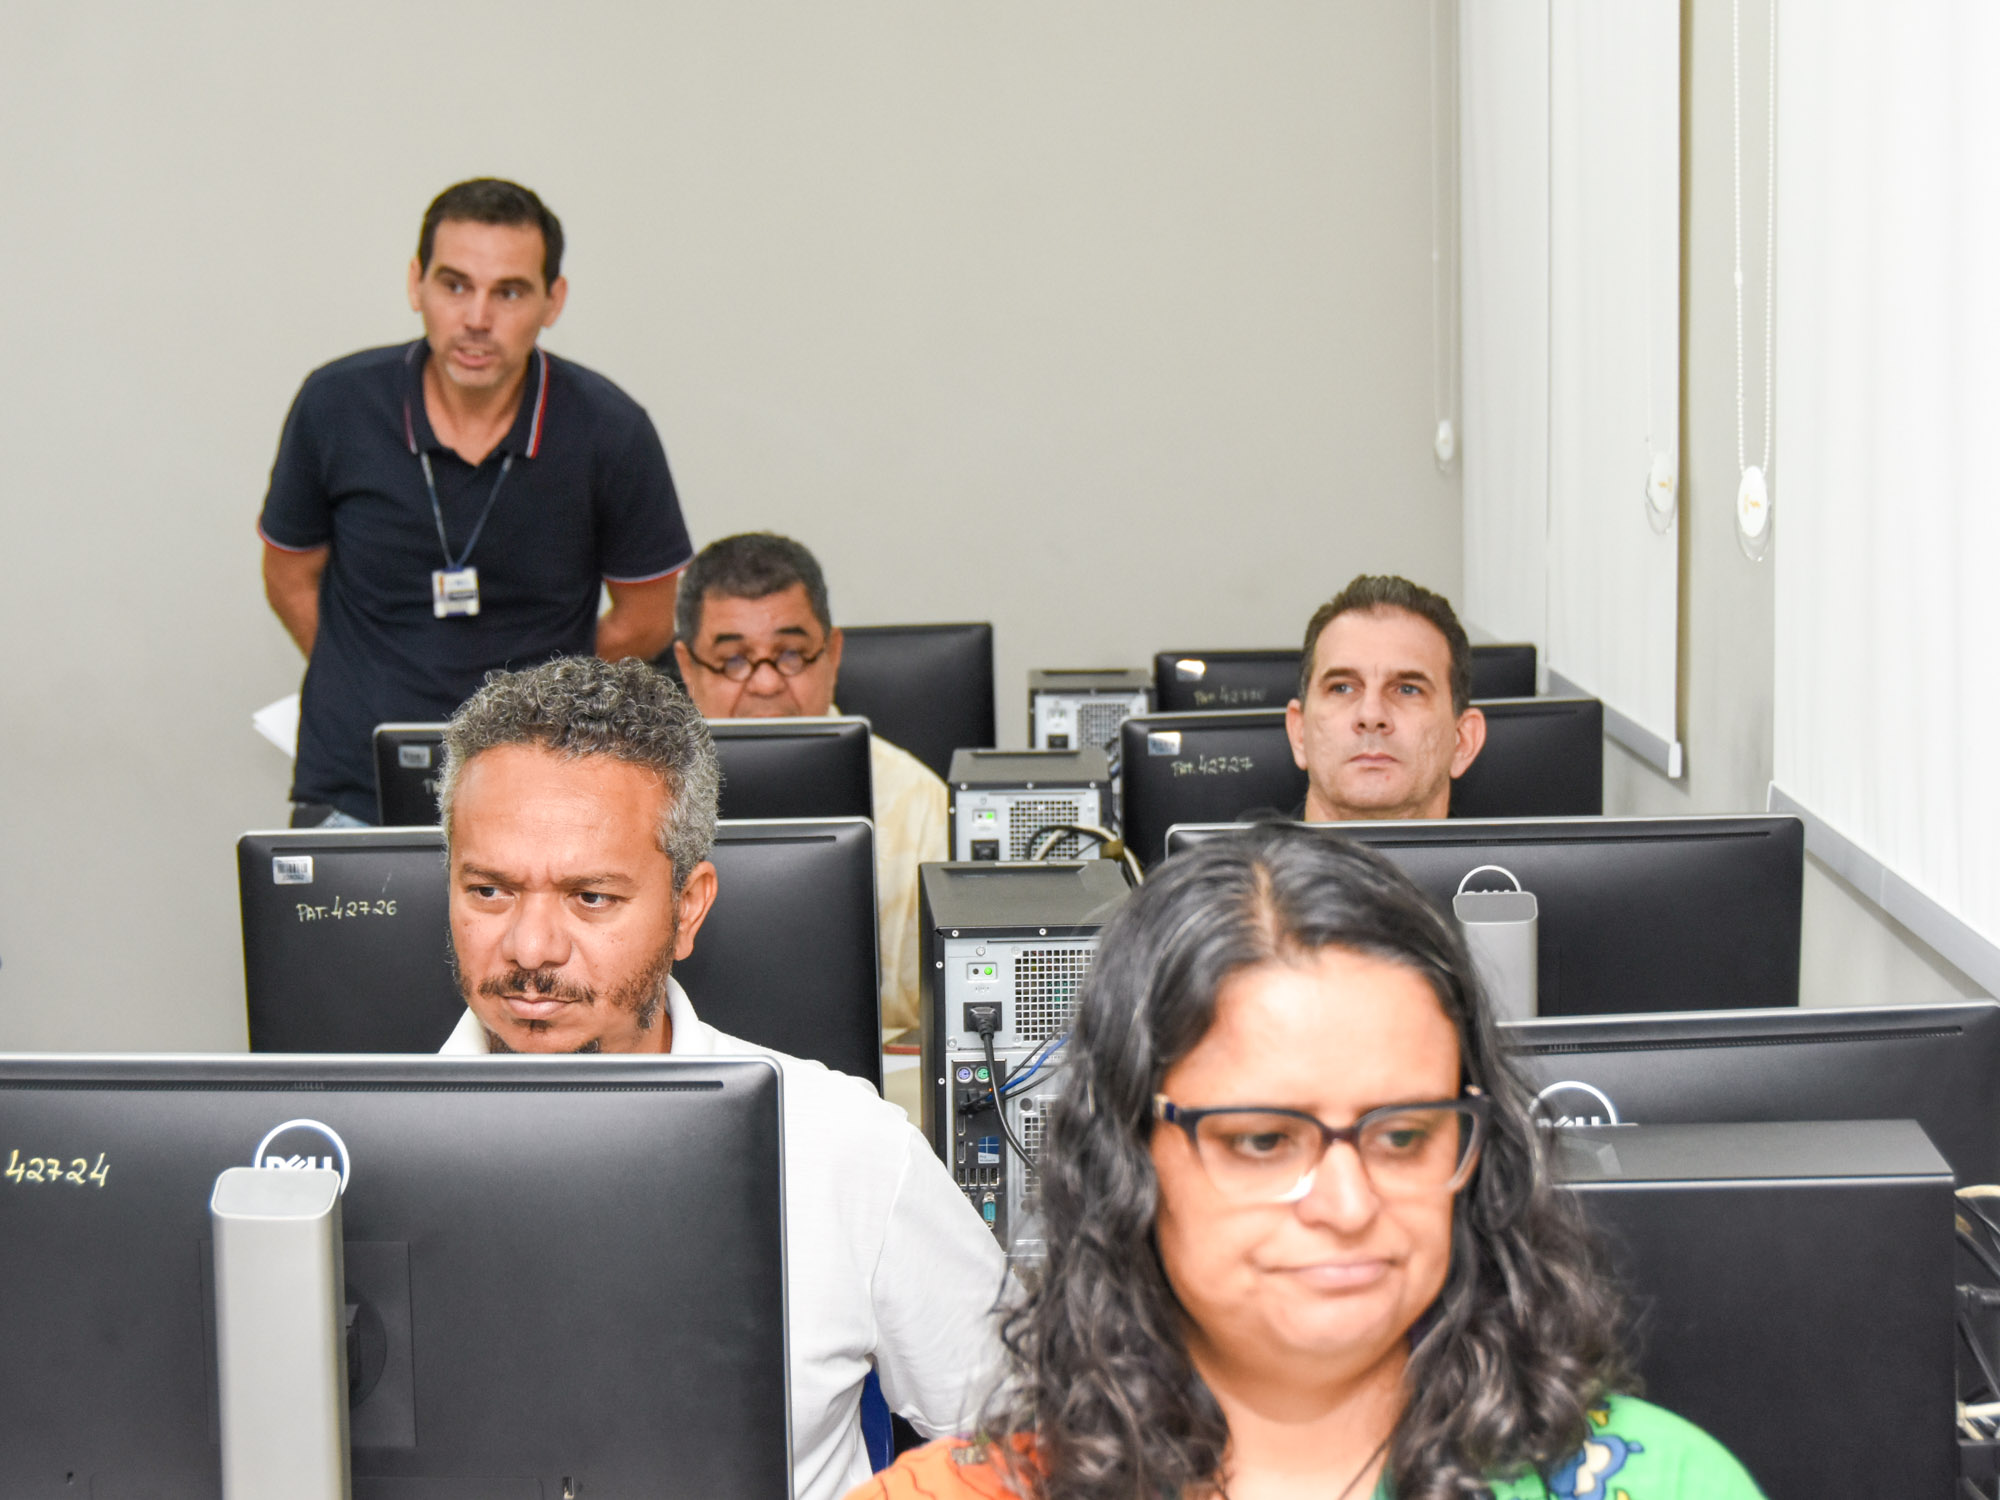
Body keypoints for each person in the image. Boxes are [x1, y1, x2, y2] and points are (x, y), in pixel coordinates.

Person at [853, 824, 1764, 1500]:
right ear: (1127, 1157)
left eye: (1402, 1135)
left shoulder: (1661, 1483)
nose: (1348, 1203)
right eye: (1262, 1140)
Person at [433, 655, 1005, 1500]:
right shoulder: (337, 1172)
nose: (529, 947)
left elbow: (1037, 1432)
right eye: (489, 891)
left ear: (687, 908)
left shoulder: (841, 1147)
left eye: (591, 898)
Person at [258, 178, 692, 828]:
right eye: (455, 285)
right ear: (417, 284)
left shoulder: (611, 430)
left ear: (553, 301)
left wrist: (536, 712)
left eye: (509, 292)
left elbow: (645, 619)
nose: (477, 319)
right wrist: (363, 676)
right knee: (332, 899)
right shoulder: (336, 405)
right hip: (353, 784)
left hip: (537, 793)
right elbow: (289, 575)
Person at [673, 533, 947, 1036]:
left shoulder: (918, 802)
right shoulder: (638, 795)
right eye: (734, 660)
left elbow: (939, 1016)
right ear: (688, 668)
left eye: (792, 654)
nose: (765, 683)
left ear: (833, 654)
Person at [1284, 575, 1487, 824]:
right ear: (1299, 733)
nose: (1371, 715)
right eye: (1342, 688)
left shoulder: (1520, 856)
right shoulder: (1241, 853)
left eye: (1408, 690)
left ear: (1463, 741)